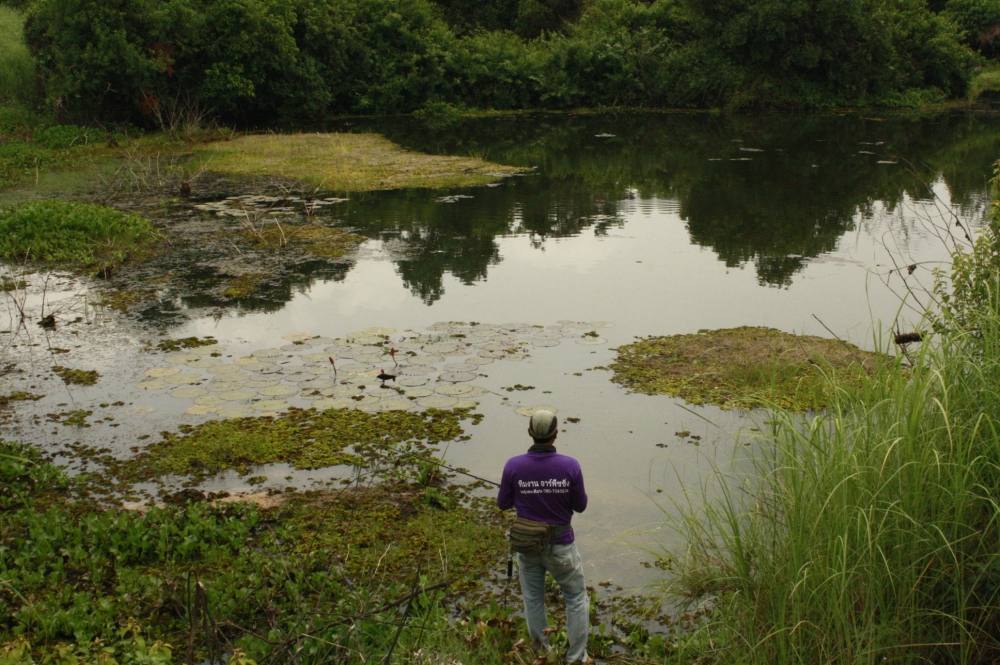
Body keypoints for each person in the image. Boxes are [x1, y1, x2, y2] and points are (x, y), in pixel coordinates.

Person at [497, 409, 589, 663]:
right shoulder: (570, 465)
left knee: (533, 599)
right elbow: (580, 505)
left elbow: (503, 503)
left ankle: (541, 653)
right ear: (555, 435)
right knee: (576, 599)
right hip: (562, 546)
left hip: (527, 547)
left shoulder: (513, 465)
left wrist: (522, 490)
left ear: (530, 433)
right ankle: (576, 658)